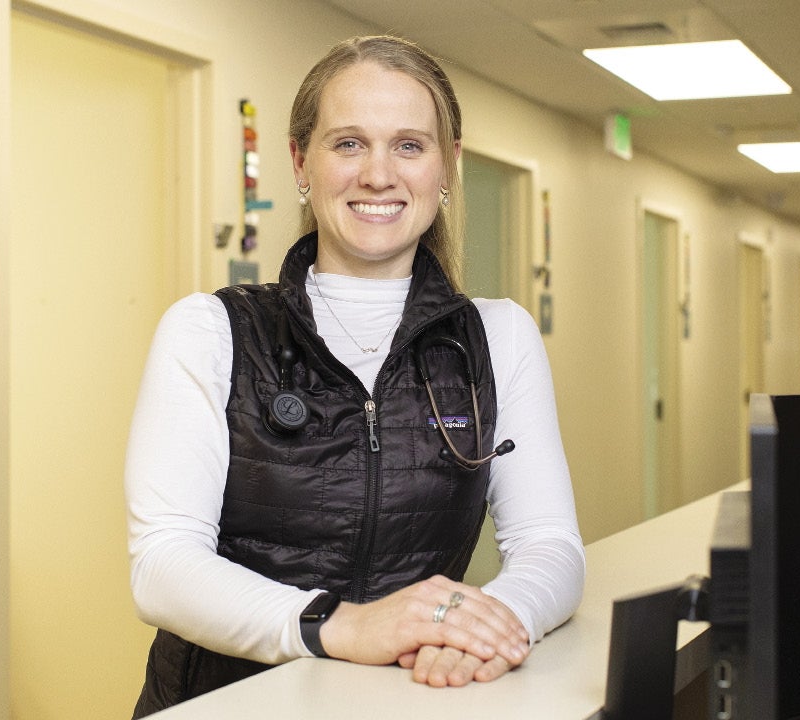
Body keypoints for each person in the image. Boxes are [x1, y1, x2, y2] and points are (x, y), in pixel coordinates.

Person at [125, 35, 585, 717]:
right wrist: (342, 625)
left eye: (408, 145)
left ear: (446, 167)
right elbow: (162, 568)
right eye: (347, 144)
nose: (377, 174)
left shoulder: (497, 337)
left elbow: (550, 545)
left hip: (411, 701)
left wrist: (481, 624)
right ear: (299, 162)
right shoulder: (211, 331)